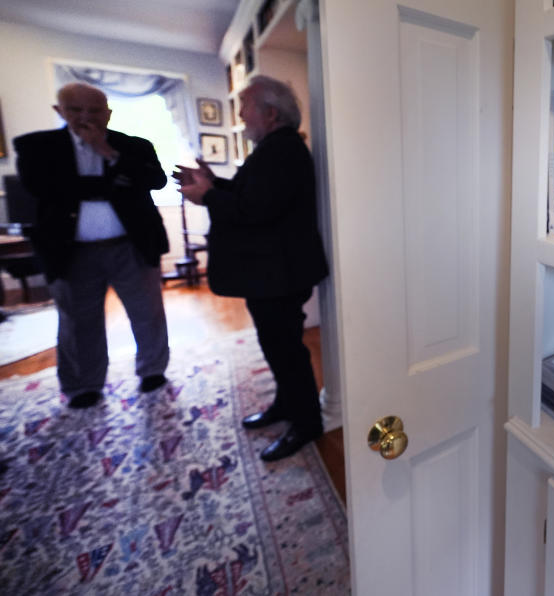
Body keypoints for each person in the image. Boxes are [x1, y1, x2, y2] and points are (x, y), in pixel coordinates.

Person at [177, 75, 328, 462]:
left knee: (286, 350)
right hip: (274, 273)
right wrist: (213, 184)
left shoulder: (281, 150)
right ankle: (285, 403)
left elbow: (256, 210)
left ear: (270, 112)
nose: (241, 115)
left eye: (245, 107)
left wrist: (208, 194)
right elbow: (254, 195)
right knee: (278, 346)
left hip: (279, 274)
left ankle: (307, 422)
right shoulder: (277, 148)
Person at [13, 82, 170, 408]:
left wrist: (108, 154)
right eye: (75, 109)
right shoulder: (35, 147)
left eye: (95, 110)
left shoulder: (134, 146)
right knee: (78, 321)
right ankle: (84, 385)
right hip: (71, 251)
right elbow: (41, 188)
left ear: (108, 113)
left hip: (132, 246)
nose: (86, 116)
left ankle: (153, 369)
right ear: (60, 111)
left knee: (148, 313)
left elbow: (156, 180)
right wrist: (116, 183)